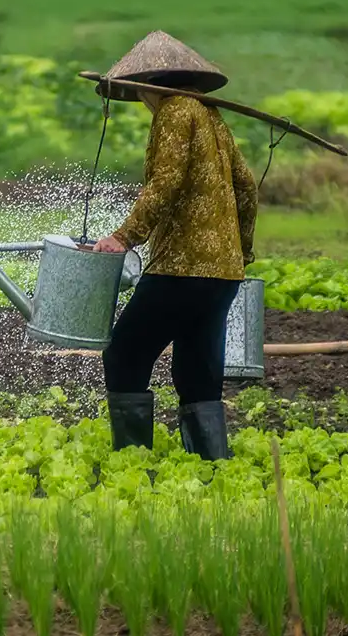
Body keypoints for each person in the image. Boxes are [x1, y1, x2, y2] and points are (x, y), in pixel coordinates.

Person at [88, 31, 258, 461]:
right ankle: (212, 466)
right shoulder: (212, 116)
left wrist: (123, 238)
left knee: (125, 355)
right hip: (223, 273)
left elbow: (164, 183)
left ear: (148, 83)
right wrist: (243, 248)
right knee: (197, 373)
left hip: (180, 268)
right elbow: (247, 187)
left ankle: (132, 463)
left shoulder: (174, 113)